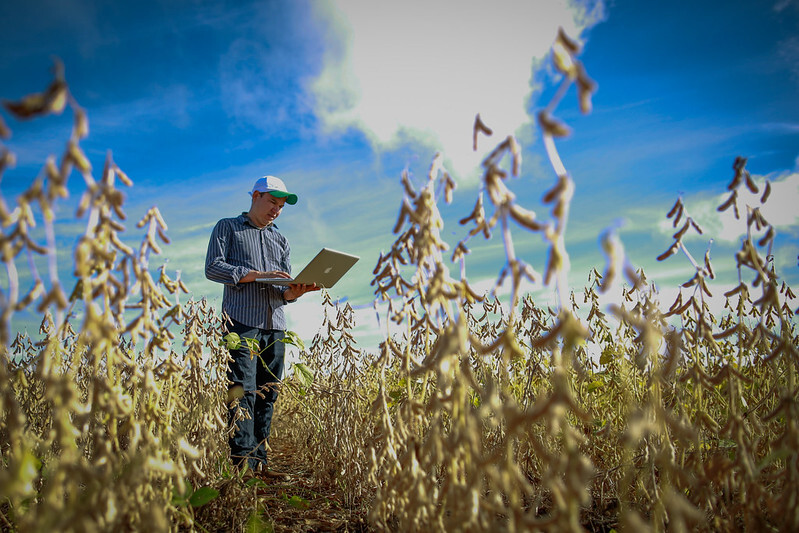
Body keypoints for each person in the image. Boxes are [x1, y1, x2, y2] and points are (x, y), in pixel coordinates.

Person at [205, 175, 319, 478]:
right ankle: (242, 466)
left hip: (276, 325)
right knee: (242, 392)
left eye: (281, 206)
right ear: (255, 195)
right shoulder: (227, 227)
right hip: (241, 323)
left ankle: (261, 463)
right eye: (272, 202)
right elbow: (213, 267)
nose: (277, 210)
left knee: (268, 394)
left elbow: (283, 289)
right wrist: (253, 274)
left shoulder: (281, 239)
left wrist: (293, 293)